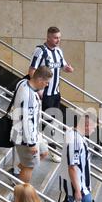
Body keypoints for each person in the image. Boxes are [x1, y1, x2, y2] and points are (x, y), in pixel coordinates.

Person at [28, 27, 74, 163]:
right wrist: (37, 89)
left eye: (59, 37)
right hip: (44, 93)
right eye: (55, 37)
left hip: (56, 93)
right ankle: (49, 150)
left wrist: (68, 69)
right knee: (46, 123)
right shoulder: (40, 51)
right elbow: (32, 70)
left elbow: (63, 66)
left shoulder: (59, 51)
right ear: (48, 37)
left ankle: (43, 147)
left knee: (53, 122)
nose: (58, 40)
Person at [55, 111, 97, 202]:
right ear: (86, 125)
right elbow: (72, 166)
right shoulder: (75, 140)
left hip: (78, 184)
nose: (93, 130)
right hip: (77, 186)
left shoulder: (74, 135)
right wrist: (78, 190)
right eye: (93, 127)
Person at [10, 66, 52, 184]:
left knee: (43, 153)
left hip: (33, 133)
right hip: (25, 137)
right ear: (39, 80)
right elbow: (26, 122)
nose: (47, 85)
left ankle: (16, 171)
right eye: (46, 82)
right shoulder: (28, 97)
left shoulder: (23, 82)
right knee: (29, 166)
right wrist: (31, 143)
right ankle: (22, 194)